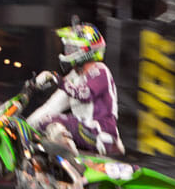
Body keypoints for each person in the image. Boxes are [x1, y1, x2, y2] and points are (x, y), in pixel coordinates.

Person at [27, 19, 124, 158]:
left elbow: (85, 94)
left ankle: (71, 159)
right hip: (86, 131)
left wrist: (57, 79)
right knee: (44, 123)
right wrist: (27, 127)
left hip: (103, 133)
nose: (67, 52)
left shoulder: (100, 70)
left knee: (56, 123)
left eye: (72, 48)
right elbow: (50, 107)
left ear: (85, 51)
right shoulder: (73, 78)